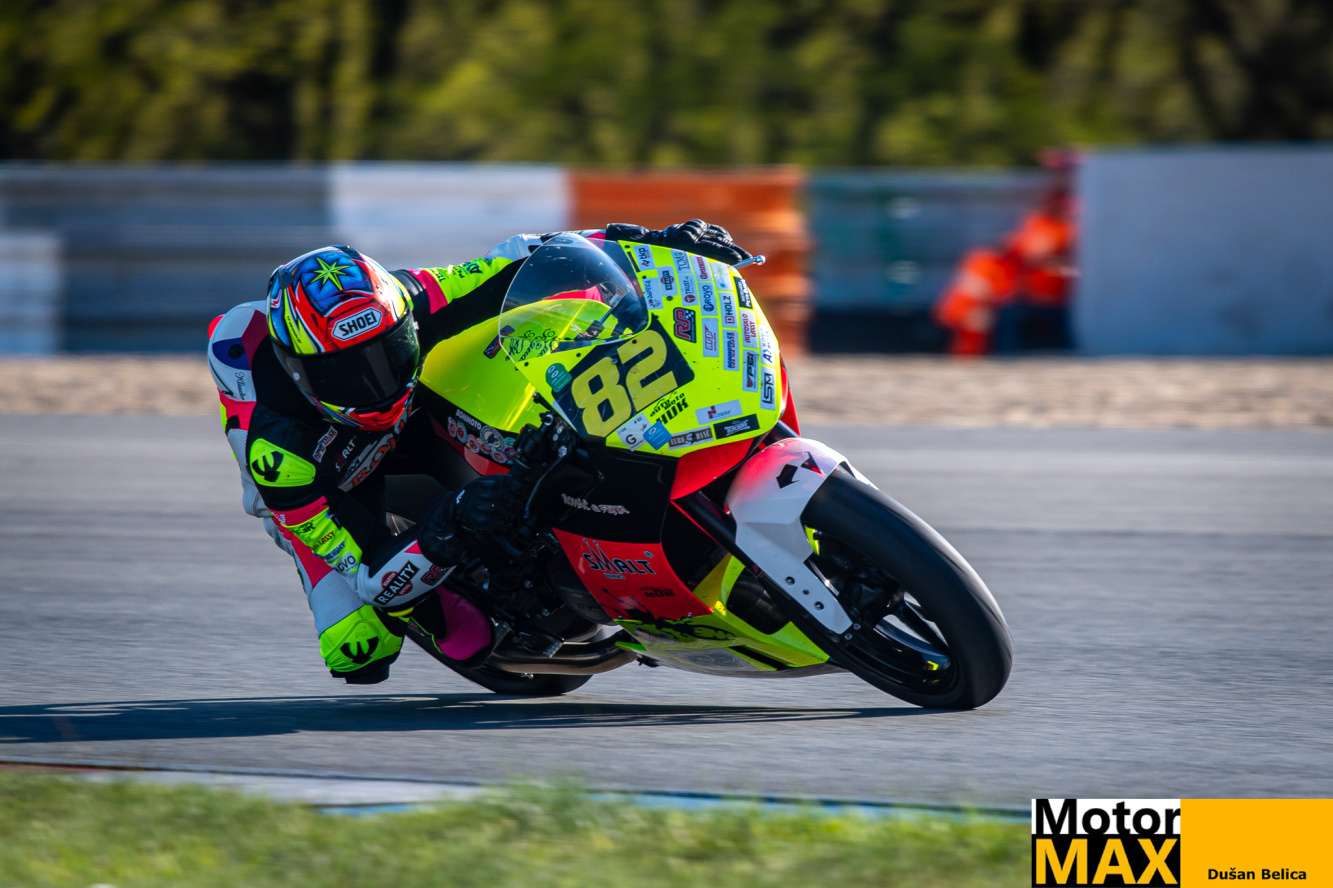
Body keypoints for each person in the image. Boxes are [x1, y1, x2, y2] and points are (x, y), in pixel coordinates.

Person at [207, 220, 749, 684]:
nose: (376, 383)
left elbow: (528, 257)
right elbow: (370, 574)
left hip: (417, 409)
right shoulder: (281, 458)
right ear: (300, 373)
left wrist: (653, 242)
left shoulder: (414, 297)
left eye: (389, 352)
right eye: (346, 374)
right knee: (360, 649)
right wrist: (449, 525)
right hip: (329, 482)